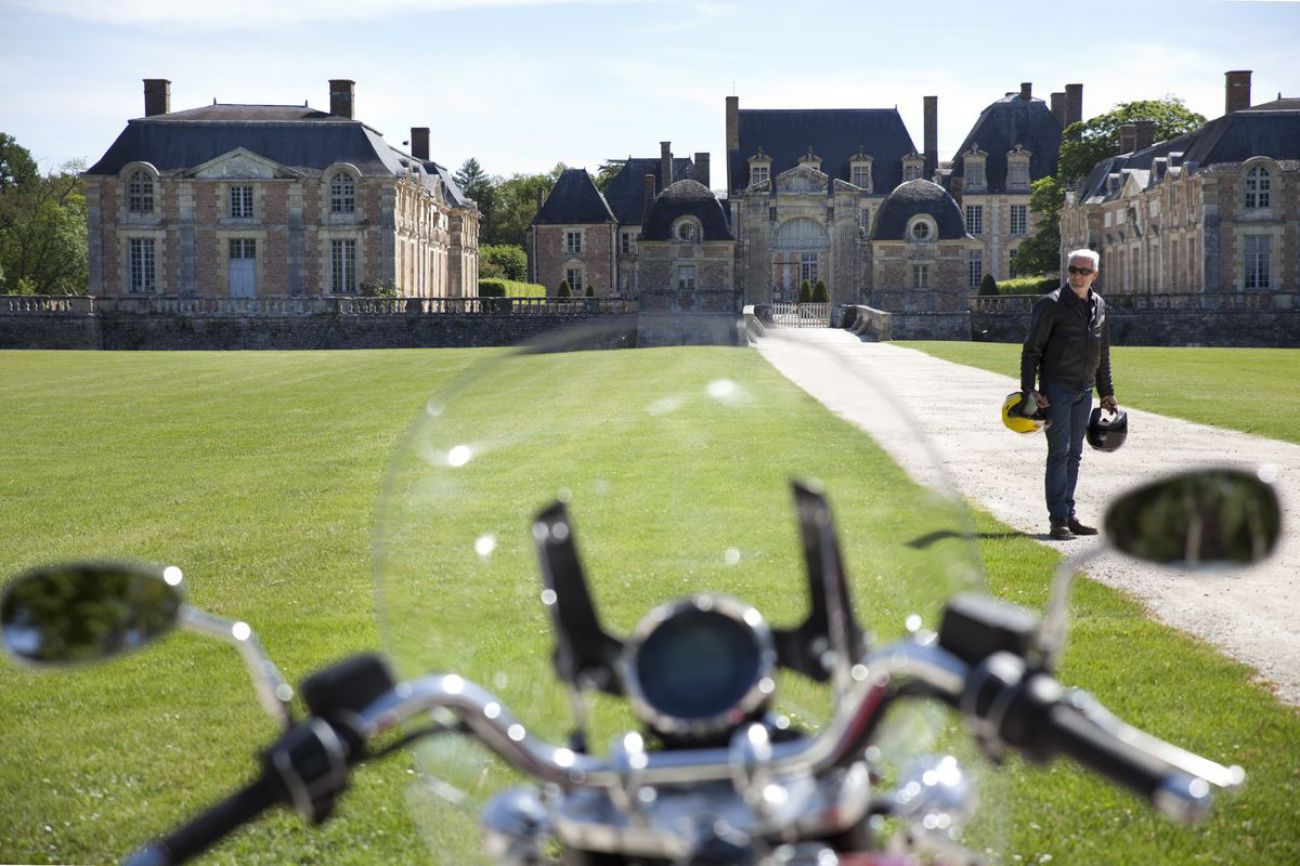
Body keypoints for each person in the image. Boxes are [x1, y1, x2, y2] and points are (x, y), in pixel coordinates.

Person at [1020, 249, 1119, 540]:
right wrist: (1029, 389)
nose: (1077, 275)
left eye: (1084, 271)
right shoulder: (1050, 305)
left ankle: (1069, 513)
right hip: (1056, 389)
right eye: (1073, 270)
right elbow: (1031, 350)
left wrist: (1108, 392)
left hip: (1084, 389)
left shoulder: (1099, 306)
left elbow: (1102, 352)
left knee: (1074, 454)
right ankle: (1058, 519)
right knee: (1059, 453)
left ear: (1095, 276)